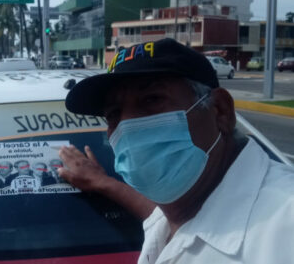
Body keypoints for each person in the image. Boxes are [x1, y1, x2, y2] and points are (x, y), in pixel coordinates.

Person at [58, 38, 294, 264]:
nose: (127, 126)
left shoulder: (284, 225)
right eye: (113, 114)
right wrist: (103, 182)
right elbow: (164, 216)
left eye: (152, 99)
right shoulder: (178, 208)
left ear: (220, 111)